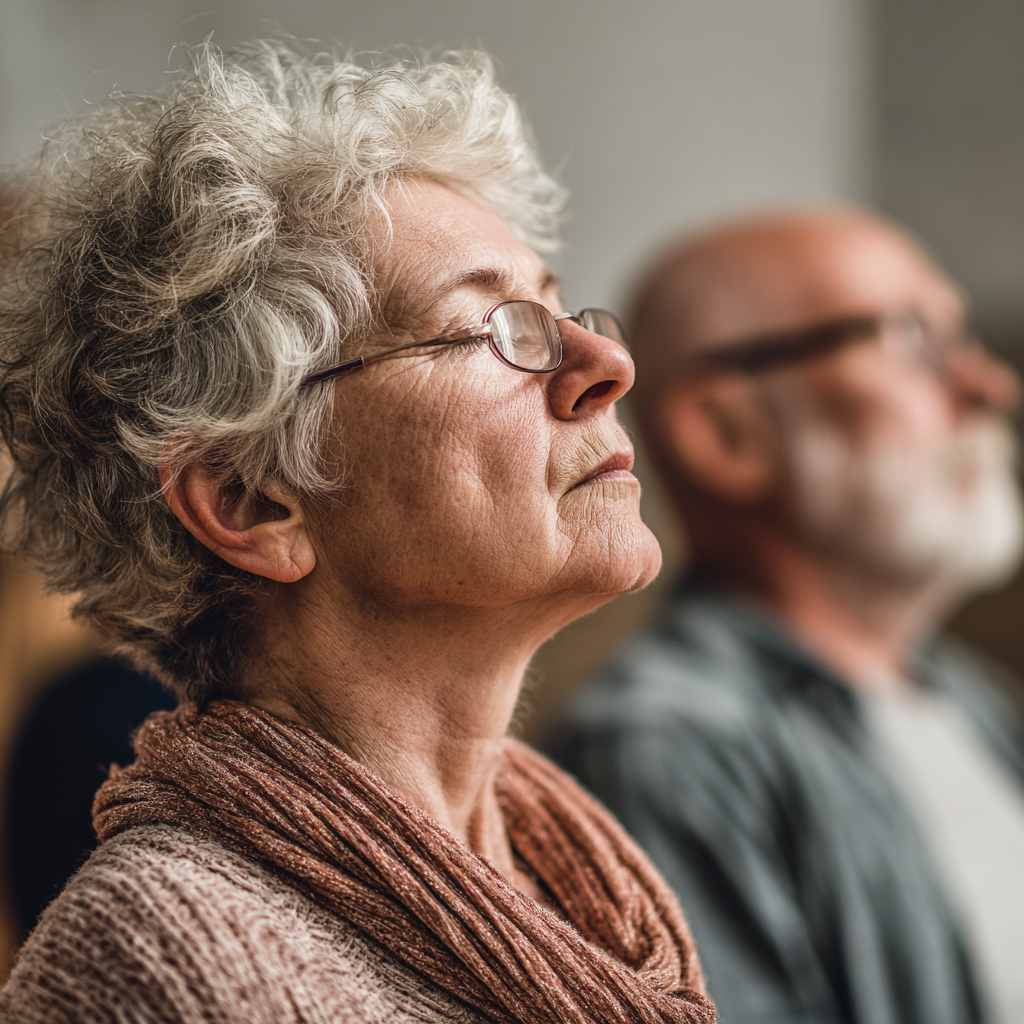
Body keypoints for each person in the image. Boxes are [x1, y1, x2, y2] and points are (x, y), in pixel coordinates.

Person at [0, 41, 714, 1024]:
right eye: (500, 329)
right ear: (251, 502)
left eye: (560, 309)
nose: (607, 365)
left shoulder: (586, 887)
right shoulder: (166, 959)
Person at [548, 210, 1024, 1024]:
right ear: (726, 431)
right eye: (912, 339)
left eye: (964, 338)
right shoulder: (669, 753)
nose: (990, 387)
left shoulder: (968, 699)